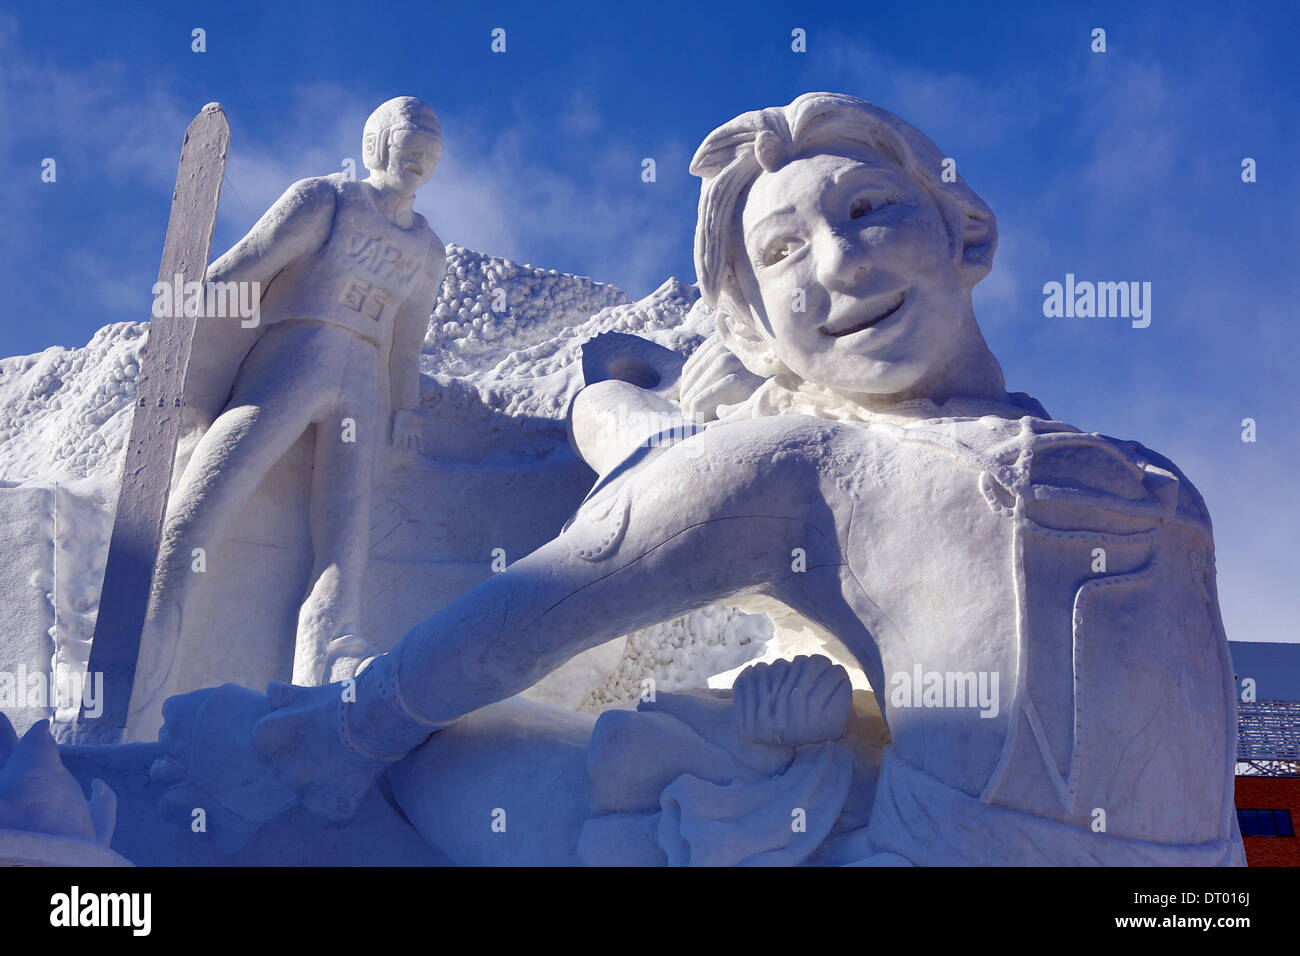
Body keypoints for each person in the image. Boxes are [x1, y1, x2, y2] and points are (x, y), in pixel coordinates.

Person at [151, 92, 1245, 866]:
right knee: (506, 762)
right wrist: (344, 733)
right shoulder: (806, 462)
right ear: (756, 330)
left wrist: (843, 713)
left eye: (869, 209)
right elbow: (550, 596)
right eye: (778, 254)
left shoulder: (1157, 481)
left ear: (968, 231)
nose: (838, 261)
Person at [126, 97, 446, 741]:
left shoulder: (427, 250)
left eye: (429, 153)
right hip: (293, 354)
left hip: (361, 379)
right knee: (205, 502)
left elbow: (406, 342)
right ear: (376, 143)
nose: (416, 161)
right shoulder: (326, 201)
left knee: (344, 545)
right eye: (407, 145)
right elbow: (249, 264)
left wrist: (406, 408)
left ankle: (322, 681)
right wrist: (181, 309)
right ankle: (149, 648)